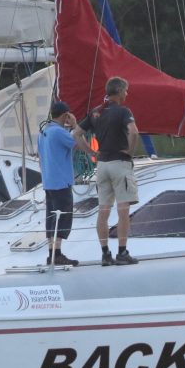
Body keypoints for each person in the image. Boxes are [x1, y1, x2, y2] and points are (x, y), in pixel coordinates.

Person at [80, 77, 141, 265]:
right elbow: (134, 131)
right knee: (123, 210)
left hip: (102, 165)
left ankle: (105, 254)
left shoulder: (96, 112)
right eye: (126, 90)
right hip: (119, 164)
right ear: (119, 91)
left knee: (103, 211)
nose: (127, 94)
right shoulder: (123, 111)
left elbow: (75, 133)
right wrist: (130, 151)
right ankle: (122, 253)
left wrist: (91, 152)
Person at [37, 100, 91, 266]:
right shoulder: (59, 133)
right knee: (62, 217)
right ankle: (57, 254)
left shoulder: (44, 132)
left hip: (49, 181)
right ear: (65, 115)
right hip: (61, 182)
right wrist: (75, 126)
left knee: (52, 218)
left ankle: (52, 254)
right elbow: (81, 146)